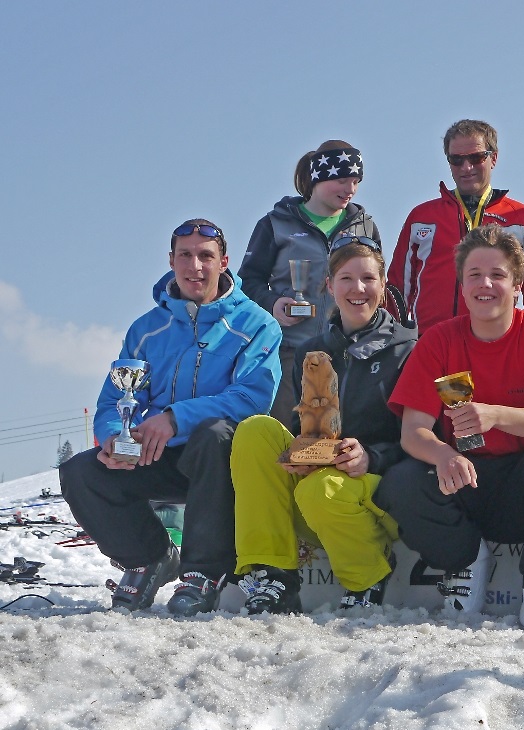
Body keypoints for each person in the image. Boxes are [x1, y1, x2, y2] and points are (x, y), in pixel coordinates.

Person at [375, 224, 524, 629]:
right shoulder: (438, 339)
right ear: (461, 284)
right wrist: (443, 453)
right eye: (474, 274)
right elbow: (413, 430)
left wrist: (495, 415)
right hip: (464, 480)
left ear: (517, 285)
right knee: (401, 480)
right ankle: (464, 561)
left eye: (497, 275)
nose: (485, 284)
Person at [59, 220, 282, 614]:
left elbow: (253, 397)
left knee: (213, 435)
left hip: (219, 461)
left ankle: (203, 572)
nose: (195, 265)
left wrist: (176, 417)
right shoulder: (146, 329)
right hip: (159, 453)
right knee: (82, 471)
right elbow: (116, 398)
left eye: (206, 256)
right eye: (185, 255)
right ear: (171, 260)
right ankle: (148, 556)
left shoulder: (257, 324)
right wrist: (115, 437)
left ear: (224, 262)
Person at [230, 238, 417, 614]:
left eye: (368, 278)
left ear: (383, 285)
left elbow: (422, 435)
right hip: (322, 486)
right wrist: (299, 454)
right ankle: (275, 574)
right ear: (329, 286)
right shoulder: (312, 350)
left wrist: (372, 457)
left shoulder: (410, 348)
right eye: (346, 278)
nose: (358, 288)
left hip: (379, 487)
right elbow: (309, 427)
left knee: (321, 490)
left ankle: (368, 575)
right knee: (255, 431)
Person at [239, 140, 381, 420]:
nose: (350, 189)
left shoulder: (366, 226)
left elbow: (378, 283)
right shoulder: (275, 223)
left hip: (349, 353)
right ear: (318, 177)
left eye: (356, 181)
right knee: (288, 439)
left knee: (340, 439)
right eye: (341, 180)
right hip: (290, 353)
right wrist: (274, 304)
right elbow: (248, 283)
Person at [389, 119, 524, 333]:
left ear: (493, 158)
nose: (466, 168)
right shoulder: (421, 216)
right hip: (432, 344)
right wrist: (394, 344)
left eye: (476, 158)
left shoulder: (520, 217)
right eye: (456, 160)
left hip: (497, 344)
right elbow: (396, 290)